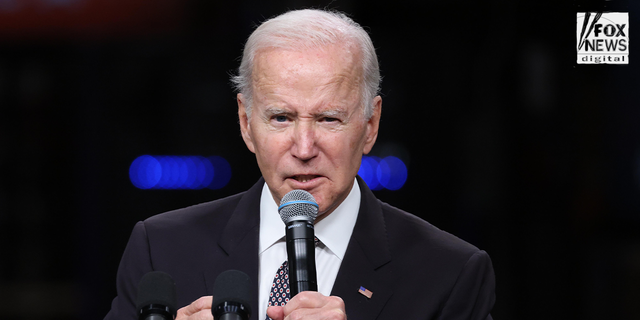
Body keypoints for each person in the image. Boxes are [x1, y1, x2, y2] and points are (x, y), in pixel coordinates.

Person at [105, 9, 495, 320]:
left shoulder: (449, 273)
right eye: (281, 118)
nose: (304, 148)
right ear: (246, 123)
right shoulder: (161, 249)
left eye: (328, 119)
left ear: (370, 125)